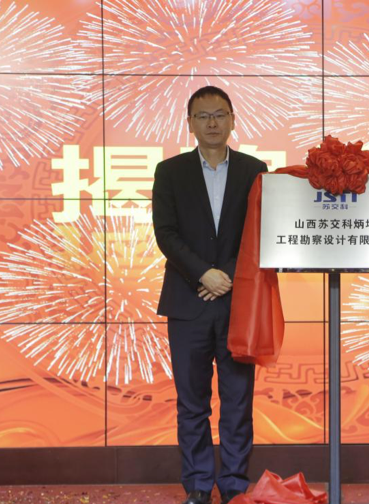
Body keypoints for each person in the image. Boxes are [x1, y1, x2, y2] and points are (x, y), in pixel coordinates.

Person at [153, 85, 267, 504]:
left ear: (233, 119)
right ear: (190, 124)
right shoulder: (170, 172)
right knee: (192, 403)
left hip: (239, 303)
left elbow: (260, 230)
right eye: (203, 116)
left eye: (220, 114)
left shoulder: (255, 170)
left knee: (238, 400)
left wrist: (228, 276)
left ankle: (234, 485)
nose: (212, 123)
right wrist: (204, 273)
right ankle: (199, 486)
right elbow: (166, 233)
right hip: (188, 302)